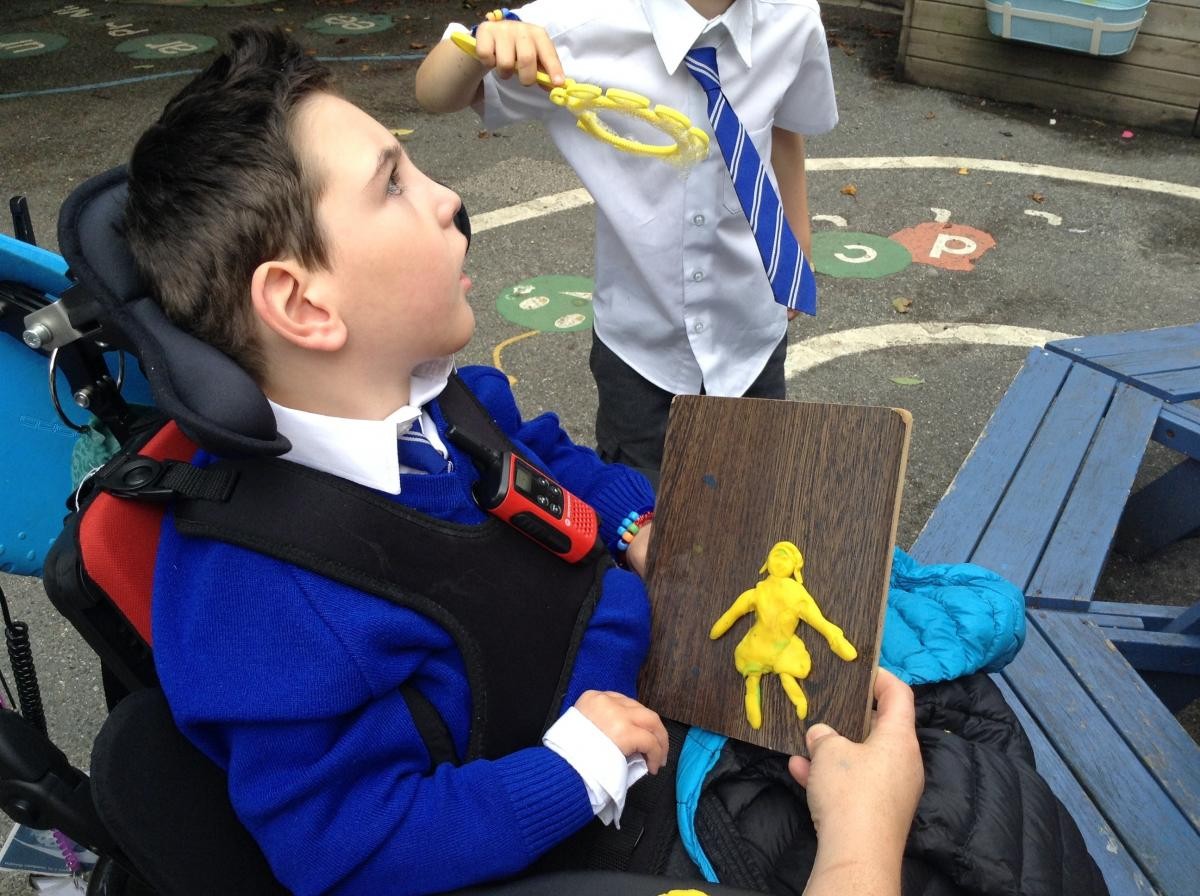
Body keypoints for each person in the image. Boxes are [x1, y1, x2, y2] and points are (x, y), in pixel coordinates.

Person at [122, 24, 919, 896]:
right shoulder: (262, 606)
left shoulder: (443, 400)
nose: (447, 198)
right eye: (393, 185)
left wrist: (634, 523)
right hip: (601, 831)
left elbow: (546, 458)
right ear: (303, 303)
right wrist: (573, 769)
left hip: (656, 685)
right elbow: (350, 846)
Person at [415, 0, 838, 484]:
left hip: (751, 327)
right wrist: (483, 41)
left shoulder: (793, 17)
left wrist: (796, 248)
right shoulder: (577, 23)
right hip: (641, 347)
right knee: (643, 503)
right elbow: (434, 94)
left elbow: (782, 127)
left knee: (752, 490)